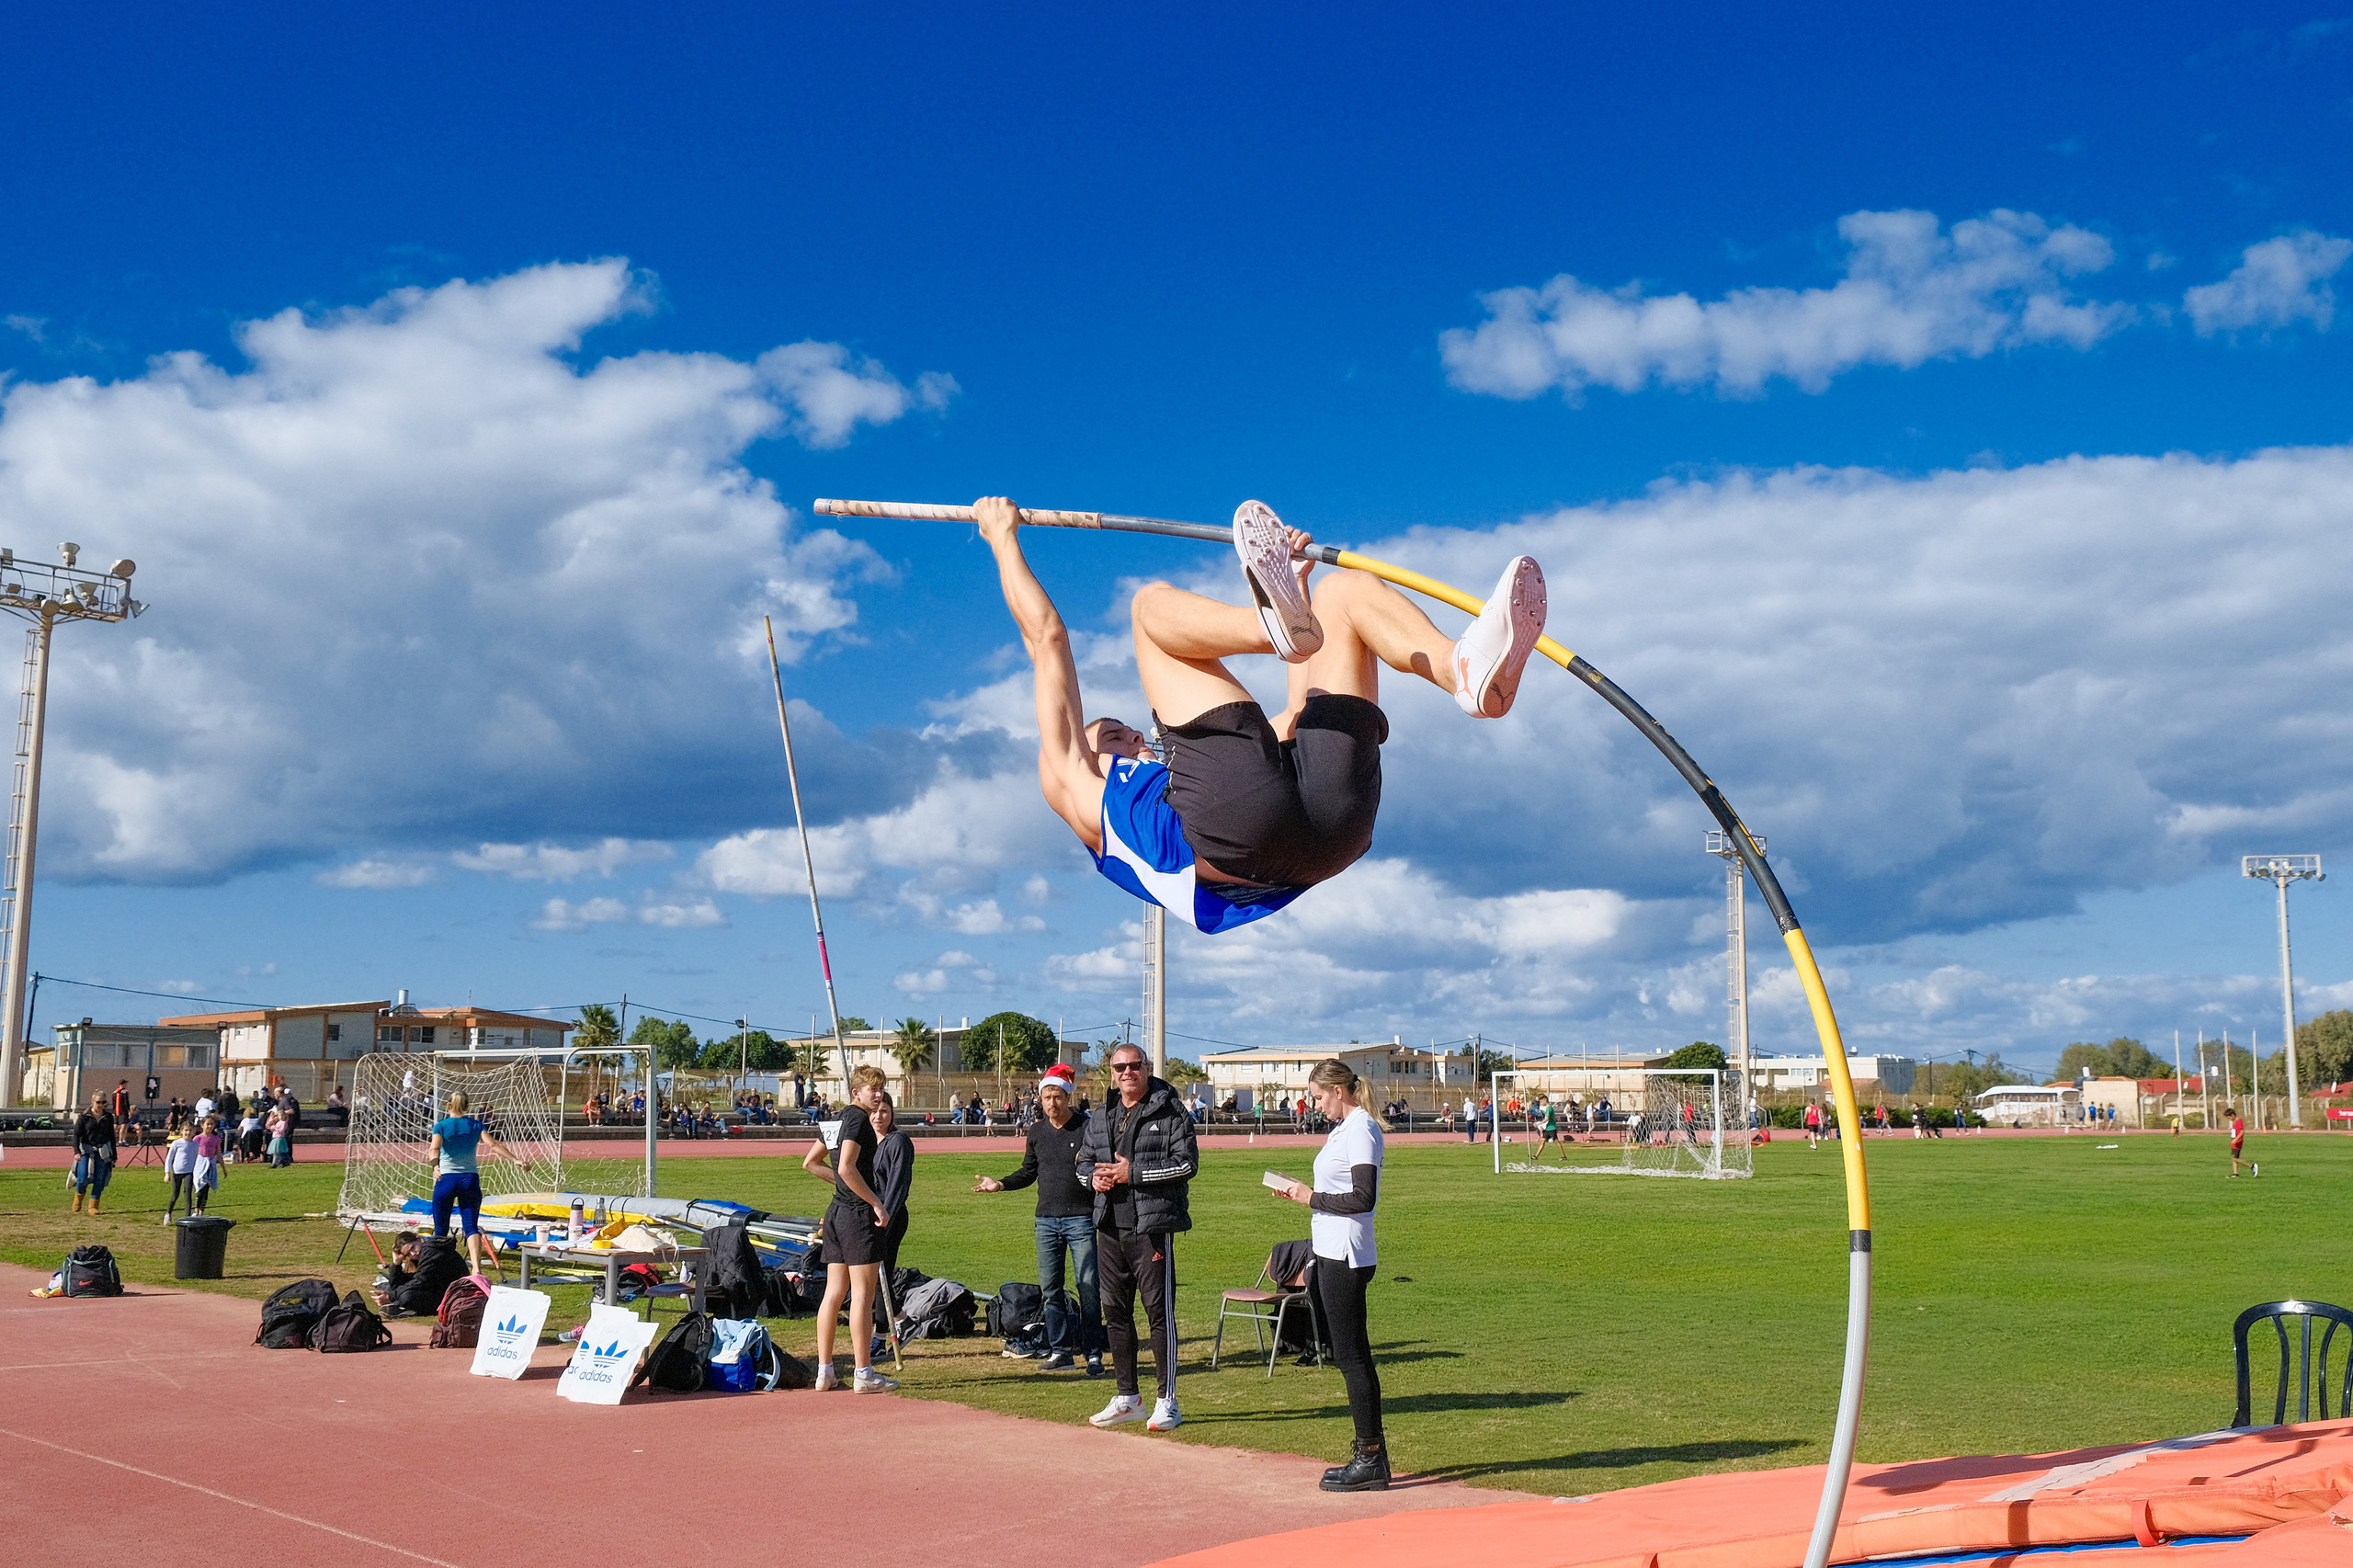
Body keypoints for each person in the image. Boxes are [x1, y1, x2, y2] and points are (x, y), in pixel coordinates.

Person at [973, 494, 1549, 938]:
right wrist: (1003, 541)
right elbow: (1047, 639)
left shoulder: (1195, 775)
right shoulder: (1074, 783)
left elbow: (1301, 717)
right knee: (1149, 609)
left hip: (1327, 837)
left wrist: (1291, 582)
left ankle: (1464, 672)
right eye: (1113, 739)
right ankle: (1264, 627)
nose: (1130, 736)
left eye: (1127, 729)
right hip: (1237, 841)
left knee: (1341, 596)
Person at [1270, 1059, 1390, 1491]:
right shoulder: (1343, 1128)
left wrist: (1309, 1197)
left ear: (1339, 1090)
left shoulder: (1360, 1128)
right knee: (1345, 1354)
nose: (1316, 1105)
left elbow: (1362, 1197)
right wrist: (1305, 1193)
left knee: (1353, 1356)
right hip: (1330, 1251)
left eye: (1319, 1096)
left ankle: (1371, 1456)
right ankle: (1370, 1452)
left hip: (1347, 1254)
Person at [1075, 1042, 1198, 1431]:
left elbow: (1186, 1164)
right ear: (1111, 1072)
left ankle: (1168, 1401)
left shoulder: (1171, 1110)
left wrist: (1135, 1173)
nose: (1127, 1072)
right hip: (1109, 1227)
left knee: (1158, 1314)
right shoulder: (1101, 1115)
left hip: (1152, 1228)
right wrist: (1092, 1178)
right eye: (1119, 1067)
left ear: (1146, 1068)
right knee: (1115, 1313)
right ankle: (1128, 1397)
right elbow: (1082, 1162)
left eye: (1134, 1065)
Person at [974, 1064, 1104, 1375]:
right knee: (1051, 1289)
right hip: (1046, 1222)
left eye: (1057, 1096)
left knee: (1088, 1287)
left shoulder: (1087, 1129)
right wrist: (1000, 1183)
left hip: (1081, 1221)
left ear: (1067, 1097)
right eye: (1046, 1097)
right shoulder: (1037, 1132)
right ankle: (1060, 1351)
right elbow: (1029, 1171)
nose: (1051, 1103)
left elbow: (1100, 1168)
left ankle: (1094, 1353)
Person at [801, 1063, 899, 1393]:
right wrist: (875, 1201)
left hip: (837, 1212)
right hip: (856, 1216)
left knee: (834, 1292)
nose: (878, 1093)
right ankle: (863, 1373)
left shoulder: (836, 1120)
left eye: (881, 1087)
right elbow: (846, 1166)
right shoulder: (858, 1120)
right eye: (872, 1088)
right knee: (862, 1294)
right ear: (855, 1092)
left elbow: (812, 1163)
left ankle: (824, 1370)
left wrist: (845, 1185)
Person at [427, 1091, 517, 1276]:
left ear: (448, 1106)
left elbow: (434, 1149)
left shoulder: (441, 1126)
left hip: (446, 1179)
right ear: (467, 1106)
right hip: (469, 1179)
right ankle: (476, 1269)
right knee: (471, 1226)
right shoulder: (476, 1125)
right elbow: (493, 1145)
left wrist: (435, 1166)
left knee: (440, 1228)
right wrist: (515, 1159)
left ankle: (438, 1268)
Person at [871, 1094, 915, 1275]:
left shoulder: (897, 1141)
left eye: (884, 1111)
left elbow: (898, 1184)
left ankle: (884, 1304)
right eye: (874, 1111)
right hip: (870, 1214)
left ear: (892, 1114)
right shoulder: (866, 1142)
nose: (878, 1116)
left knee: (881, 1274)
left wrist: (885, 1218)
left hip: (890, 1216)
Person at [70, 1094, 117, 1214]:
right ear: (92, 1102)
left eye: (103, 1102)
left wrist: (114, 1155)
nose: (101, 1105)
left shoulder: (108, 1117)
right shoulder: (84, 1117)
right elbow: (76, 1135)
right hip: (86, 1149)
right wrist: (77, 1152)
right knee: (83, 1177)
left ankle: (93, 1205)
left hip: (103, 1151)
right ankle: (79, 1197)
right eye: (98, 1102)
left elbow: (111, 1136)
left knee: (99, 1178)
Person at [164, 1118, 200, 1221]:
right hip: (177, 1172)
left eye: (190, 1130)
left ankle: (187, 1217)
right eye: (185, 1130)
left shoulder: (195, 1144)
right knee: (175, 1195)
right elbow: (169, 1159)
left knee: (188, 1194)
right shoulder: (176, 1143)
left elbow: (197, 1158)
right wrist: (167, 1173)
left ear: (193, 1132)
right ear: (181, 1131)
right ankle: (168, 1213)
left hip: (189, 1172)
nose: (187, 1133)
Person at [190, 1116, 222, 1214]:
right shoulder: (198, 1138)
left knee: (207, 1188)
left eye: (211, 1124)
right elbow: (193, 1153)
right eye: (207, 1124)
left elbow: (218, 1153)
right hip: (200, 1165)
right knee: (200, 1186)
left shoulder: (215, 1139)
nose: (209, 1126)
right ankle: (196, 1209)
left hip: (210, 1165)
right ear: (202, 1125)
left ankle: (201, 1210)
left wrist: (223, 1168)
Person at [2229, 1108, 2250, 1177]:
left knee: (2235, 1158)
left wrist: (2236, 1139)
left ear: (2232, 1115)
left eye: (2229, 1117)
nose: (2229, 1119)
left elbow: (2241, 1132)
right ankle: (2235, 1173)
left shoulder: (2239, 1122)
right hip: (2235, 1143)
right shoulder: (2235, 1123)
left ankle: (2251, 1166)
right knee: (2234, 1158)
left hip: (2238, 1142)